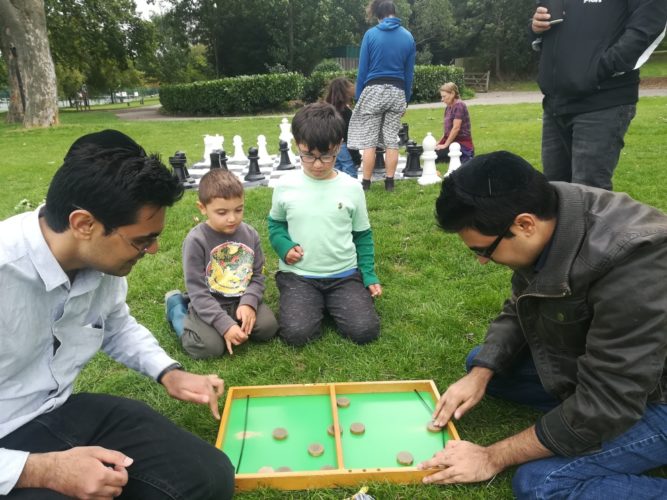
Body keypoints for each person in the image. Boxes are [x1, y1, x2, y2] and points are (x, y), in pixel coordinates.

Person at [0, 130, 235, 499]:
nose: (154, 249)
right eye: (142, 240)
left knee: (210, 478)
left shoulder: (99, 261)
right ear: (83, 224)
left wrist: (168, 372)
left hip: (59, 410)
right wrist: (42, 469)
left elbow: (114, 322)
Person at [417, 151, 666, 497]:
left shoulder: (638, 262)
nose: (480, 261)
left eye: (484, 251)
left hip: (655, 397)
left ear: (524, 225)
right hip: (614, 368)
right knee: (486, 363)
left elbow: (608, 402)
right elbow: (523, 304)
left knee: (542, 484)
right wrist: (482, 372)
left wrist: (492, 456)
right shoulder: (550, 211)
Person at [268, 102, 382, 346]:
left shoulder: (352, 188)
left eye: (327, 155)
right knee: (297, 335)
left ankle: (334, 303)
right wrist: (284, 246)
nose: (317, 164)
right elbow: (275, 225)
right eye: (308, 154)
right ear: (297, 144)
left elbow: (362, 235)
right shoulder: (285, 185)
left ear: (339, 146)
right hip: (299, 276)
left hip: (344, 274)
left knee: (365, 331)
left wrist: (369, 275)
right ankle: (315, 304)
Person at [531, 1, 667, 190]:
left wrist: (597, 70)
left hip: (604, 99)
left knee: (588, 193)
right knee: (554, 191)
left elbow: (647, 29)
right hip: (556, 100)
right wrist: (535, 27)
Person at [165, 168, 278, 359]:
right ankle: (177, 307)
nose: (232, 218)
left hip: (239, 299)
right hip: (208, 303)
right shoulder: (196, 240)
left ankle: (238, 316)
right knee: (209, 348)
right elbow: (197, 290)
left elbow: (258, 276)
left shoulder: (250, 234)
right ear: (202, 208)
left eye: (238, 209)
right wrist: (224, 324)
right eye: (222, 212)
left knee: (268, 328)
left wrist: (249, 303)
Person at [347, 0, 416, 192]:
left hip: (373, 90)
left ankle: (366, 183)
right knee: (391, 139)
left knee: (369, 141)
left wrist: (359, 97)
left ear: (378, 14)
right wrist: (406, 100)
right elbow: (409, 73)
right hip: (397, 91)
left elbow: (363, 70)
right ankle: (390, 182)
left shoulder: (371, 35)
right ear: (394, 12)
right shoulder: (408, 37)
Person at [324, 77, 362, 178]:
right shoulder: (346, 112)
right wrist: (356, 157)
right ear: (345, 92)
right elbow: (350, 135)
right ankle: (351, 190)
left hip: (328, 146)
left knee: (335, 170)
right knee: (349, 170)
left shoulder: (325, 109)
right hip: (344, 145)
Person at [435, 82, 474, 165]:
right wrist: (440, 142)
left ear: (452, 93)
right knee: (431, 151)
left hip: (462, 145)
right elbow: (447, 131)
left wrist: (445, 145)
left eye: (444, 96)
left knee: (435, 156)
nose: (442, 99)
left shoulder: (459, 105)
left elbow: (456, 128)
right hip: (452, 142)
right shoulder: (448, 107)